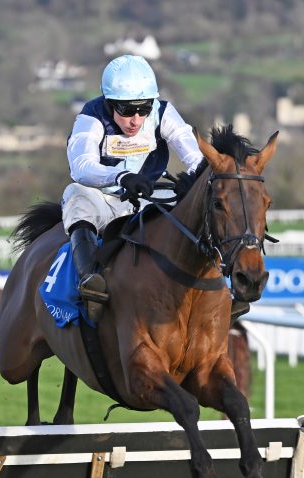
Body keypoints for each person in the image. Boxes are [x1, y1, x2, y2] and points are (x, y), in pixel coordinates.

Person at [63, 54, 206, 323]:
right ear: (109, 103)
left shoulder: (163, 112)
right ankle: (90, 281)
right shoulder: (91, 116)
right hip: (104, 200)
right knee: (75, 195)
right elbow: (80, 166)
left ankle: (219, 283)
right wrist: (121, 176)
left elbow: (196, 158)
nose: (136, 120)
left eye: (144, 109)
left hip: (148, 199)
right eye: (127, 111)